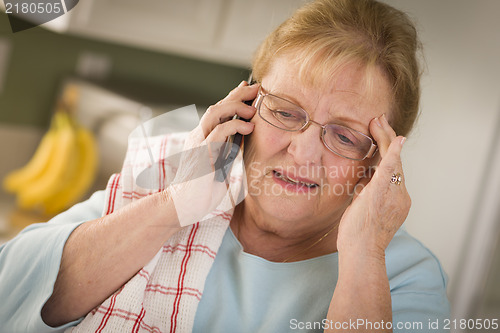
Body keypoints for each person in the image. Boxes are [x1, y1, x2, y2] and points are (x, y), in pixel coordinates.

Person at [0, 0, 450, 332]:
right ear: (248, 105)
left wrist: (363, 255)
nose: (303, 152)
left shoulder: (403, 275)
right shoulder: (169, 175)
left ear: (376, 163)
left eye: (345, 136)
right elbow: (13, 290)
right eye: (287, 112)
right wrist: (174, 205)